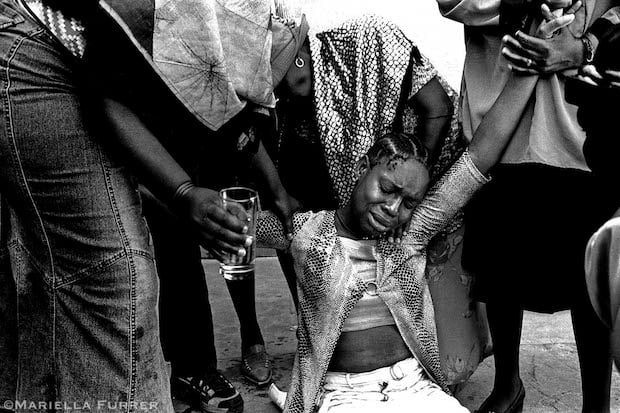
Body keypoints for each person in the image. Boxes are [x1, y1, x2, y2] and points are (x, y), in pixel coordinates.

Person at [0, 0, 295, 411]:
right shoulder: (159, 21)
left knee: (41, 276)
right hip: (40, 51)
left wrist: (276, 192)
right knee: (120, 280)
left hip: (82, 65)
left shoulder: (215, 29)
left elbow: (234, 119)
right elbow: (108, 95)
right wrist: (182, 192)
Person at [256, 43, 559, 408]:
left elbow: (480, 155)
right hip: (345, 396)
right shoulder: (306, 233)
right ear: (361, 168)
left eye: (408, 202)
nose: (393, 208)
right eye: (386, 188)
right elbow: (227, 221)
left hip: (415, 388)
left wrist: (529, 68)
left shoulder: (409, 235)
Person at [267, 9, 491, 386]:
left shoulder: (371, 40)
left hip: (429, 190)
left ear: (300, 58)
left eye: (285, 80)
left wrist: (410, 190)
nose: (283, 93)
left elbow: (438, 110)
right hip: (378, 215)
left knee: (450, 366)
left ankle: (470, 327)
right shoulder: (294, 115)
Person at [436, 0, 620, 411]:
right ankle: (508, 386)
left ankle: (598, 405)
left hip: (580, 121)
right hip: (500, 117)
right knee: (500, 265)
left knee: (589, 272)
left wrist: (589, 43)